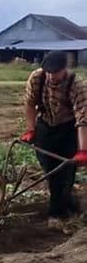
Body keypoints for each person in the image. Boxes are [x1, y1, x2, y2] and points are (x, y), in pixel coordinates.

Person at [21, 50, 87, 228]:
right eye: (48, 72)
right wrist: (30, 129)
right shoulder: (37, 78)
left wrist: (82, 150)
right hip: (45, 125)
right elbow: (29, 103)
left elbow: (83, 120)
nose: (51, 76)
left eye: (55, 72)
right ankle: (70, 203)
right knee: (50, 170)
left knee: (65, 172)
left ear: (64, 69)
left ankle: (56, 214)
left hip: (68, 129)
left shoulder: (77, 85)